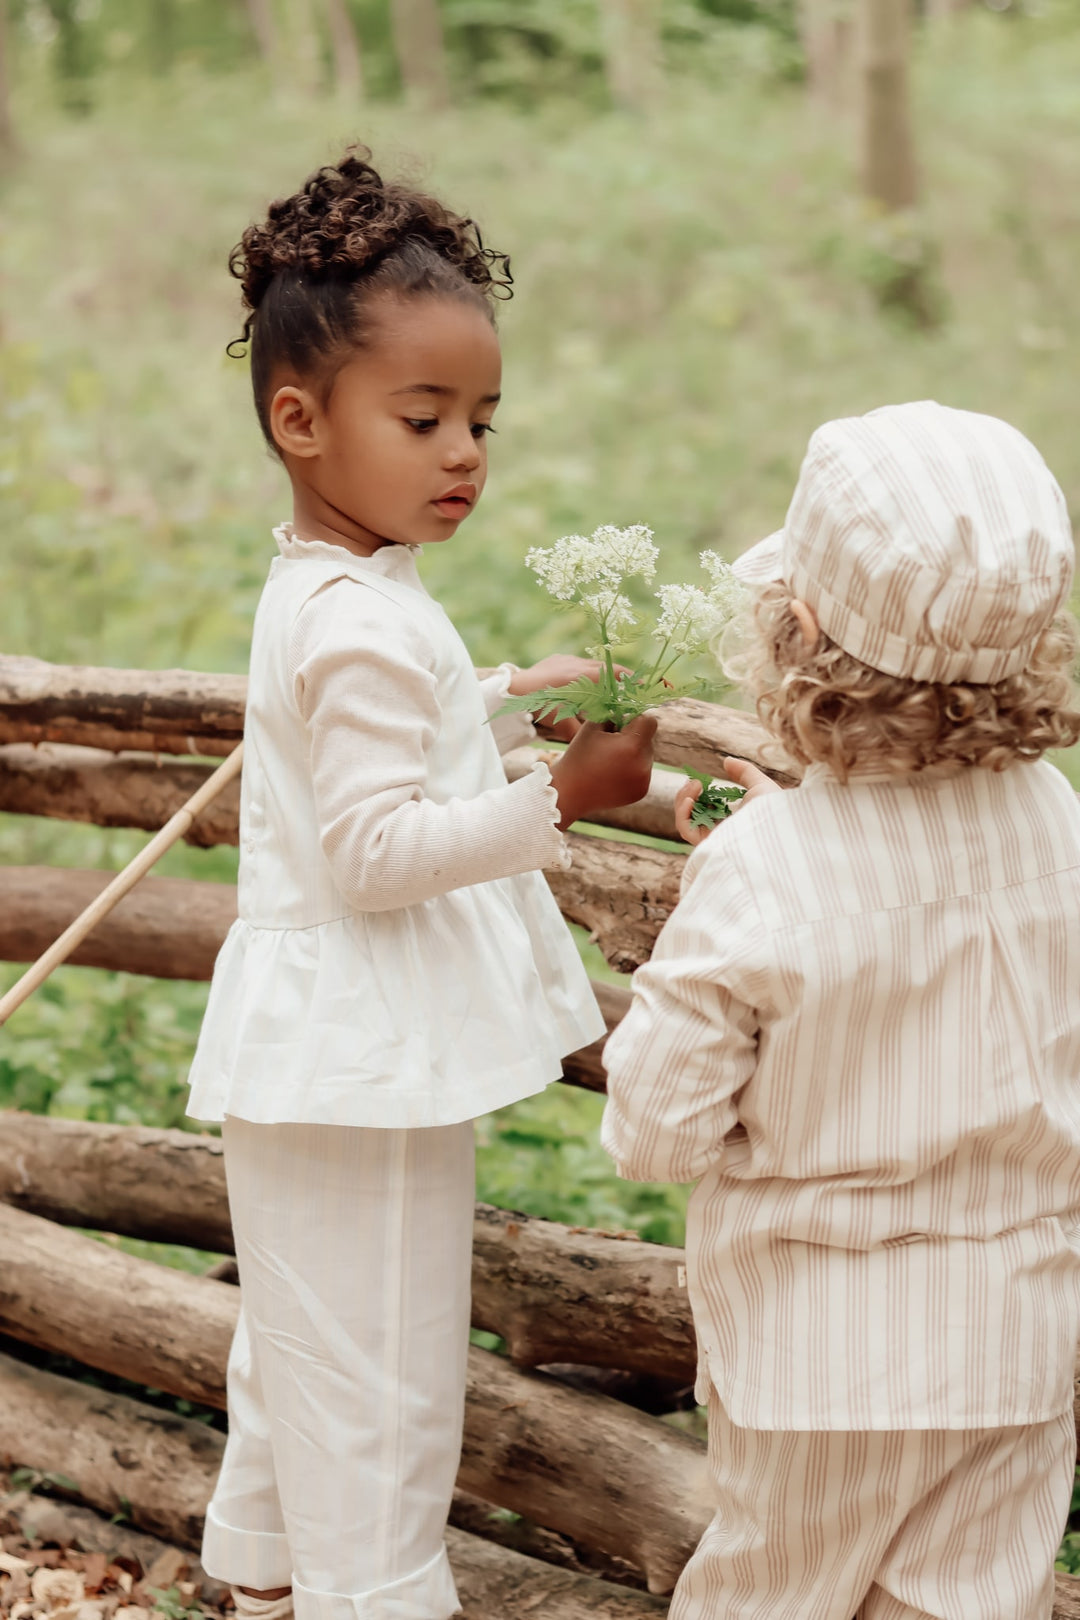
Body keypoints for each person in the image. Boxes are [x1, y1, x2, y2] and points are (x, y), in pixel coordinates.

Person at [185, 147, 656, 1620]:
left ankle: (265, 1582)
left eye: (480, 421)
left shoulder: (332, 591)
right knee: (380, 1372)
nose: (466, 452)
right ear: (300, 420)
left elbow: (383, 733)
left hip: (320, 1054)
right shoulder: (362, 626)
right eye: (426, 417)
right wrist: (558, 799)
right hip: (361, 1065)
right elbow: (378, 849)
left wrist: (507, 696)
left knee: (309, 1341)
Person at [602, 400, 1080, 1620]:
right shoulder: (1061, 825)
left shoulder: (766, 869)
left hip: (819, 1364)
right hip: (1024, 1338)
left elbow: (654, 1132)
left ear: (797, 630)